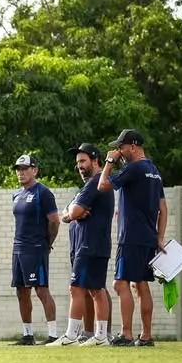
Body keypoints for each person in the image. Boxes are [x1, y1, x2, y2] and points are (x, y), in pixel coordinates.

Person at [97, 129, 166, 347]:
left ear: (133, 147)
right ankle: (146, 336)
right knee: (140, 285)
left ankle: (126, 334)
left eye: (121, 147)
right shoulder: (154, 171)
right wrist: (160, 238)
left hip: (130, 237)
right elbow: (163, 209)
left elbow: (102, 185)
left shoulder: (133, 168)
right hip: (147, 238)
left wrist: (108, 161)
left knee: (120, 283)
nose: (119, 151)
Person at [54, 143, 113, 346]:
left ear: (95, 160)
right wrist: (70, 213)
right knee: (95, 290)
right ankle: (100, 336)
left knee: (77, 288)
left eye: (83, 161)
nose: (79, 166)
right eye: (78, 162)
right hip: (91, 245)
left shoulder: (95, 182)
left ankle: (71, 336)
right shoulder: (88, 185)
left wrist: (71, 213)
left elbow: (74, 211)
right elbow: (67, 210)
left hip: (90, 244)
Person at [9, 155, 60, 345]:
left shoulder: (43, 193)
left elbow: (54, 221)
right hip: (18, 249)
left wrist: (47, 243)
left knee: (41, 290)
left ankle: (53, 335)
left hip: (36, 248)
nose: (21, 172)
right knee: (21, 291)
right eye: (18, 169)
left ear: (35, 170)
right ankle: (28, 335)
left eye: (25, 168)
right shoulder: (16, 194)